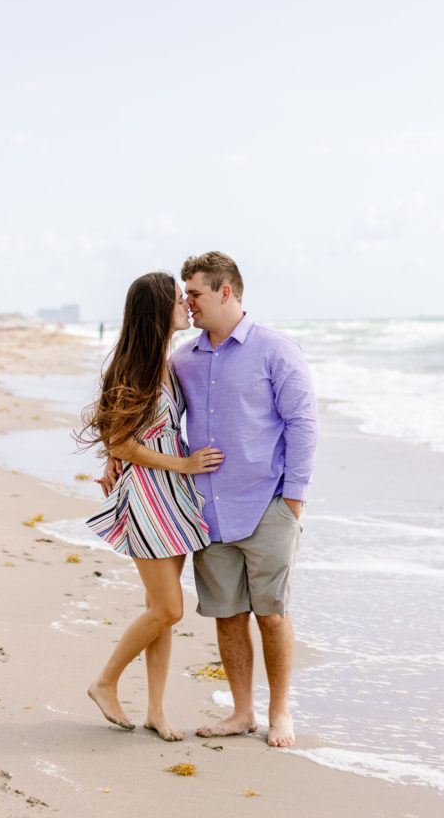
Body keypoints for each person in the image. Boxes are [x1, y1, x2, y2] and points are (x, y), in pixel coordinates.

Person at [103, 252, 318, 748]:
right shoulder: (181, 361)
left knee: (272, 613)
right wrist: (113, 458)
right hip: (205, 508)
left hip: (268, 503)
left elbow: (303, 424)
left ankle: (279, 712)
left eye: (195, 293)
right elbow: (133, 417)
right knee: (227, 615)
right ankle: (241, 713)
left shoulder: (276, 350)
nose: (188, 302)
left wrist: (295, 498)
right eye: (184, 295)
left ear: (226, 292)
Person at [79, 272, 224, 741]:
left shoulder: (166, 362)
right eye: (178, 299)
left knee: (158, 610)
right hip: (149, 494)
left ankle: (156, 710)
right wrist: (182, 464)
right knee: (169, 609)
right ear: (158, 309)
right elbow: (123, 440)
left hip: (173, 497)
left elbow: (122, 437)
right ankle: (104, 681)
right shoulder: (137, 366)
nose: (186, 304)